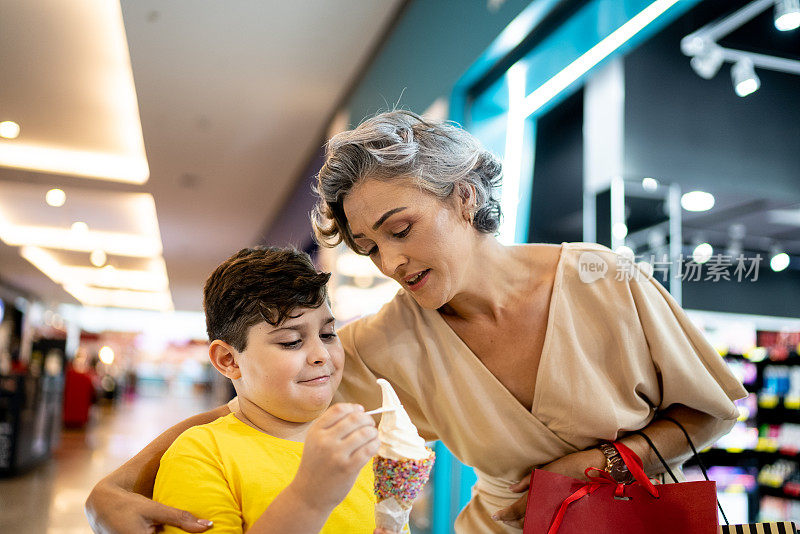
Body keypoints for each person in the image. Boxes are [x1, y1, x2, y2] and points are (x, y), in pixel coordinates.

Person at [86, 111, 747, 533]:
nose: (391, 262)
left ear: (463, 197)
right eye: (370, 247)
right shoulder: (384, 342)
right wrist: (110, 490)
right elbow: (253, 408)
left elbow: (712, 408)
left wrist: (605, 459)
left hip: (632, 523)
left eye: (400, 229)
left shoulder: (605, 279)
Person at [151, 246, 396, 533]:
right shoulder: (201, 454)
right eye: (291, 341)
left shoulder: (360, 443)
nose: (322, 354)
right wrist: (309, 499)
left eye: (328, 334)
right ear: (228, 360)